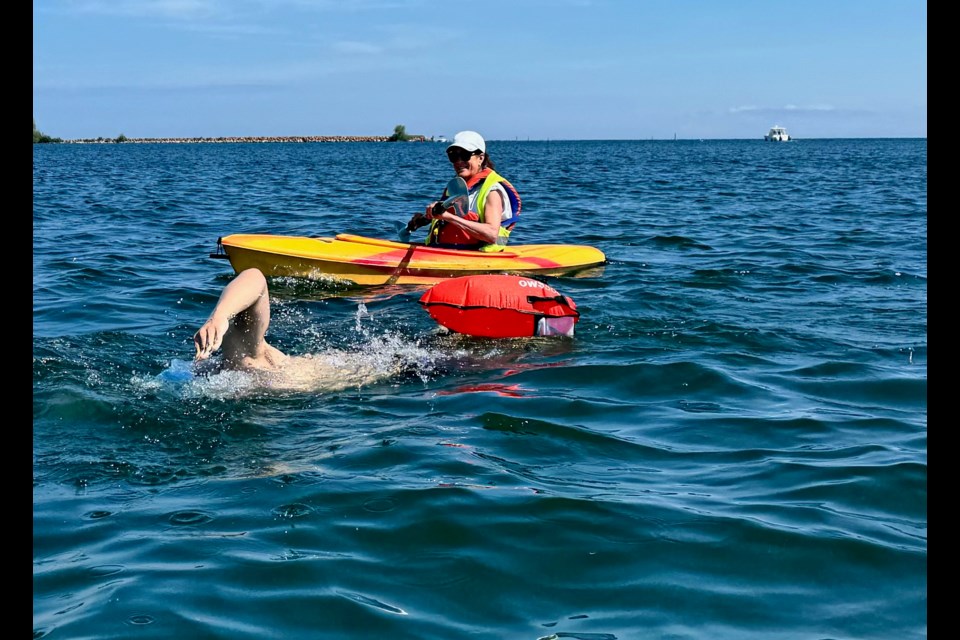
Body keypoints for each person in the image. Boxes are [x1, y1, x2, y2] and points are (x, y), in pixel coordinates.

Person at [191, 268, 406, 390]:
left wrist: (218, 316)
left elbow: (254, 277)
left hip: (383, 367)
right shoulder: (206, 370)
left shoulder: (245, 356)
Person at [406, 131, 521, 252]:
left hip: (480, 258)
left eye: (465, 155)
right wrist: (424, 219)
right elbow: (445, 218)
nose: (459, 161)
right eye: (454, 156)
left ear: (480, 158)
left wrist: (449, 217)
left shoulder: (493, 191)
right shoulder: (456, 187)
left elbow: (491, 234)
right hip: (444, 251)